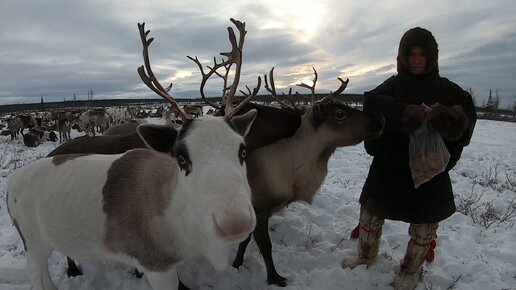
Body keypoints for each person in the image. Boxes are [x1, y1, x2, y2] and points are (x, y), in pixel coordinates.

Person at [342, 27, 477, 290]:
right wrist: (407, 113)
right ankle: (365, 256)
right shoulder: (394, 85)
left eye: (422, 54)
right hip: (392, 166)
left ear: (432, 57)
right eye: (411, 54)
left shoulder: (448, 90)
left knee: (425, 227)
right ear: (403, 56)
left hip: (430, 171)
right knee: (370, 215)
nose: (416, 60)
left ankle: (410, 271)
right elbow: (372, 104)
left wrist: (444, 118)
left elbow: (466, 116)